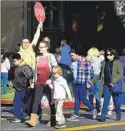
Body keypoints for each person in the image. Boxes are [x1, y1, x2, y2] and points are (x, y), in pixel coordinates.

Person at [25, 40, 58, 127]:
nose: (40, 49)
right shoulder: (38, 58)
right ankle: (33, 120)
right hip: (39, 83)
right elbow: (35, 71)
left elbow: (56, 69)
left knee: (51, 102)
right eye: (39, 47)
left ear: (46, 47)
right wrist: (33, 82)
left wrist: (51, 79)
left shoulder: (51, 57)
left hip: (48, 83)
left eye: (42, 47)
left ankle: (53, 120)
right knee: (35, 101)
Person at [67, 49, 96, 121]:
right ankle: (76, 114)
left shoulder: (84, 61)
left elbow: (89, 73)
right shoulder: (72, 62)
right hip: (75, 83)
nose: (71, 57)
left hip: (82, 83)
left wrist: (88, 83)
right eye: (70, 56)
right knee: (77, 100)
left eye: (72, 55)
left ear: (77, 54)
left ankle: (93, 109)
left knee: (83, 99)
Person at [97, 48, 123, 122]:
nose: (108, 56)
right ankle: (103, 116)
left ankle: (118, 114)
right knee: (106, 101)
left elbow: (120, 73)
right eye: (107, 54)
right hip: (106, 84)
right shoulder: (104, 62)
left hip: (114, 85)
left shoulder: (117, 62)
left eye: (110, 54)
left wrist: (113, 82)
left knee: (116, 101)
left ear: (114, 55)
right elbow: (101, 74)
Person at [10, 53, 33, 123]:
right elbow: (14, 78)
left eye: (15, 61)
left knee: (27, 103)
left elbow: (30, 76)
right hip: (17, 89)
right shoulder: (15, 68)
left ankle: (28, 115)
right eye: (13, 61)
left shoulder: (25, 68)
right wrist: (12, 84)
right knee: (16, 102)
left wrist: (31, 84)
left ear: (19, 60)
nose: (13, 63)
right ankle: (17, 117)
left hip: (25, 88)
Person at [86, 47, 104, 118]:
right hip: (98, 77)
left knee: (91, 93)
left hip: (91, 77)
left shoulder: (87, 59)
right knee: (97, 94)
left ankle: (92, 109)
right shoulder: (100, 59)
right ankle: (98, 110)